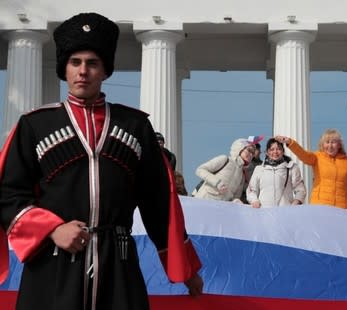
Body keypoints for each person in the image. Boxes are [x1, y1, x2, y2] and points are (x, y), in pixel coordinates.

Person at [0, 13, 202, 310]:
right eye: (75, 62)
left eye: (92, 63)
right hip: (52, 267)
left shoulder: (135, 126)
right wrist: (53, 229)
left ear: (105, 70)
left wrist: (187, 270)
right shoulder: (35, 126)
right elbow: (8, 195)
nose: (83, 71)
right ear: (64, 69)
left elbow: (159, 200)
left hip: (117, 263)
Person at [275, 129, 347, 211]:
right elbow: (303, 155)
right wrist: (290, 142)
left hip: (341, 209)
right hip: (320, 206)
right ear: (322, 144)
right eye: (327, 142)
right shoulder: (317, 157)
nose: (330, 146)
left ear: (339, 145)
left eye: (333, 142)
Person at [246, 138, 306, 208]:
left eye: (278, 149)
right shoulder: (259, 169)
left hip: (285, 213)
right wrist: (254, 201)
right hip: (264, 212)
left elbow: (301, 190)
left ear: (283, 151)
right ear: (267, 152)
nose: (275, 152)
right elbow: (251, 190)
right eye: (272, 149)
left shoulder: (291, 168)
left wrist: (295, 203)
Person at [192, 138, 256, 202]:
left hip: (220, 207)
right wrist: (217, 183)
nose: (251, 154)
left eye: (253, 153)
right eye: (249, 150)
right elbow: (200, 170)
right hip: (204, 199)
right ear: (240, 148)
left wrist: (236, 200)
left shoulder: (242, 176)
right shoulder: (225, 160)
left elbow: (236, 196)